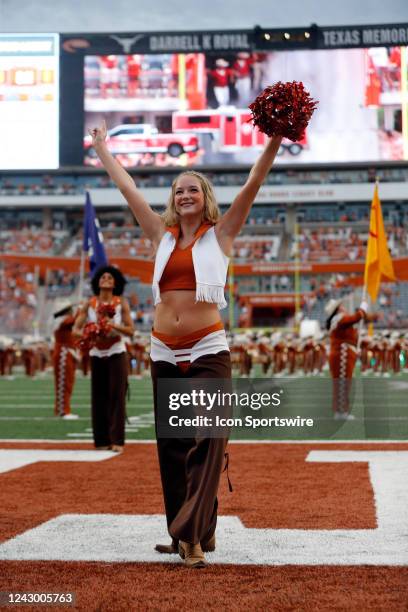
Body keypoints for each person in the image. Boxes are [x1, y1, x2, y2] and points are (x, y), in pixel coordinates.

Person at [88, 118, 282, 568]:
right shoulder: (160, 234)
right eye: (179, 191)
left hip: (207, 348)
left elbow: (254, 180)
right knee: (173, 444)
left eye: (193, 190)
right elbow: (127, 187)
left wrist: (274, 138)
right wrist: (100, 148)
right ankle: (187, 532)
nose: (185, 196)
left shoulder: (223, 233)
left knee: (210, 436)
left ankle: (192, 534)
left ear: (205, 197)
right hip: (162, 349)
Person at [73, 266, 134, 452]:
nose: (105, 278)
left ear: (115, 283)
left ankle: (117, 440)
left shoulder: (121, 302)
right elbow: (74, 330)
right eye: (102, 276)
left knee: (117, 396)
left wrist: (113, 326)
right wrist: (90, 333)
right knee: (98, 397)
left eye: (109, 277)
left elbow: (131, 330)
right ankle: (101, 440)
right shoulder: (88, 304)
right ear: (97, 282)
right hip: (96, 353)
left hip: (116, 350)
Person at [325, 298, 377, 420]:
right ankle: (341, 411)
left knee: (344, 383)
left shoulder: (341, 320)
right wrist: (362, 309)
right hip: (341, 354)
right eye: (342, 306)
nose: (344, 307)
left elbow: (351, 338)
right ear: (338, 309)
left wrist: (359, 345)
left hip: (344, 353)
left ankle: (341, 410)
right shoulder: (339, 318)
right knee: (342, 383)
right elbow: (356, 318)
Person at [53, 301, 79, 420]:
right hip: (64, 353)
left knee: (67, 382)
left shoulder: (64, 320)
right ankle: (64, 410)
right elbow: (74, 320)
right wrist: (81, 310)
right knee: (64, 383)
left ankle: (61, 409)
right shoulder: (62, 320)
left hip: (67, 353)